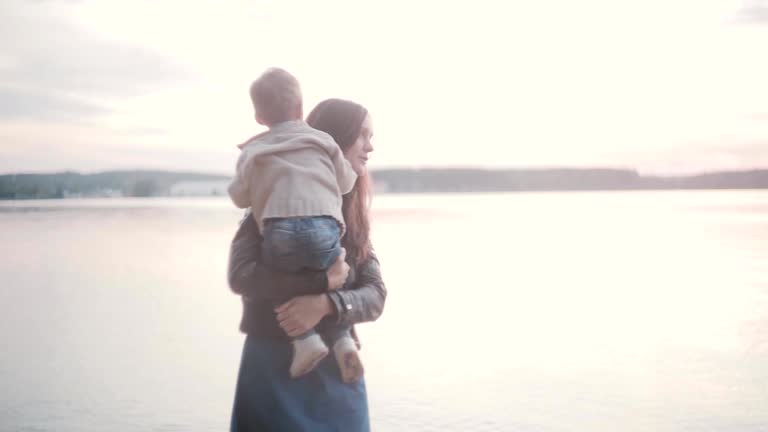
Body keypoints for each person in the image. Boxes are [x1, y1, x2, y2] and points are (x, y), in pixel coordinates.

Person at [228, 98, 385, 432]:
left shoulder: (352, 217)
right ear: (334, 138)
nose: (370, 147)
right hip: (272, 372)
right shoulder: (271, 204)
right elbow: (241, 276)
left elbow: (376, 295)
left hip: (338, 376)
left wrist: (326, 304)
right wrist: (319, 283)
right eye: (362, 136)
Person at [227, 68, 361, 380]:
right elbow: (345, 182)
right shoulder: (322, 141)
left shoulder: (255, 149)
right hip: (325, 226)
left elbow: (240, 196)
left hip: (279, 230)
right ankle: (343, 341)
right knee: (336, 274)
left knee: (279, 276)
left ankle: (305, 341)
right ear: (301, 108)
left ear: (259, 116)